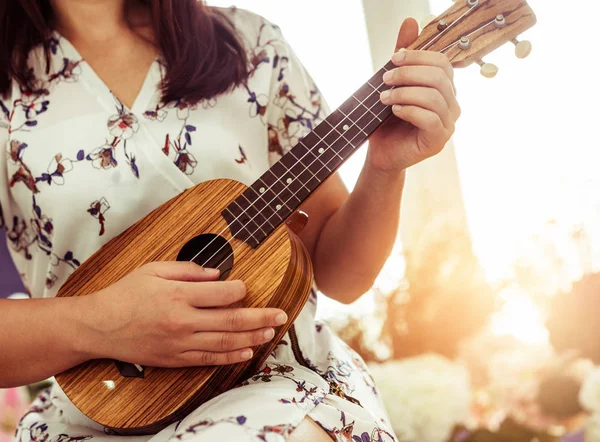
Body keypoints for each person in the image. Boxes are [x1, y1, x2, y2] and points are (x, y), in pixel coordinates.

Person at [0, 1, 460, 441]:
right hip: (98, 415)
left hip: (272, 389)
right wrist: (101, 323)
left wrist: (384, 168)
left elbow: (343, 277)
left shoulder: (251, 45)